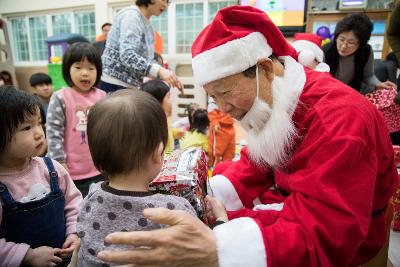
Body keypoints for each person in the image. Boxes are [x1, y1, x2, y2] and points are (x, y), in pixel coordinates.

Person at [96, 6, 397, 267]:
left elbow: (327, 235)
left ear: (265, 69)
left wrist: (217, 249)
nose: (223, 109)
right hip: (296, 207)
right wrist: (203, 197)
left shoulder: (341, 120)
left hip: (343, 236)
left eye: (225, 93)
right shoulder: (284, 96)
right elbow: (257, 163)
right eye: (214, 98)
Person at [75, 89, 196, 266]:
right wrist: (219, 222)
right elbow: (197, 250)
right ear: (158, 153)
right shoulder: (174, 209)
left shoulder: (91, 196)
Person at [0, 86, 82, 266]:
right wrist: (26, 255)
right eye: (27, 127)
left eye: (39, 123)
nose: (39, 133)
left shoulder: (52, 168)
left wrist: (73, 232)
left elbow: (74, 203)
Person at [46, 42, 106, 197]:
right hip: (71, 172)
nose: (85, 73)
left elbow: (108, 131)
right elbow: (53, 133)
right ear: (68, 70)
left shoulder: (102, 96)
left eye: (91, 68)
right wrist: (59, 162)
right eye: (78, 67)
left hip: (101, 168)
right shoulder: (60, 97)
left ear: (98, 72)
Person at [100, 0, 183, 93]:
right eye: (163, 0)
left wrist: (168, 75)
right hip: (114, 84)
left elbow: (149, 60)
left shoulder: (148, 26)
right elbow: (127, 55)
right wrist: (159, 71)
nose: (165, 5)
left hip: (130, 85)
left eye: (167, 1)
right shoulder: (132, 16)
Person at [323, 13, 397, 94]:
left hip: (351, 93)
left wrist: (378, 84)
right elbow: (319, 77)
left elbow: (368, 76)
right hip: (327, 92)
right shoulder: (327, 50)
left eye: (350, 42)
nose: (344, 46)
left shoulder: (366, 51)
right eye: (341, 39)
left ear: (361, 44)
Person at [141, 79, 183, 152]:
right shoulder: (154, 126)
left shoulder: (166, 118)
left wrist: (175, 132)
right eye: (168, 96)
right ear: (157, 103)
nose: (172, 100)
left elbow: (168, 130)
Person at [207, 97, 236, 168]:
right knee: (217, 153)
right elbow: (211, 109)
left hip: (229, 125)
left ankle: (227, 168)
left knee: (230, 152)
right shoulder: (215, 94)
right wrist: (214, 121)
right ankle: (214, 171)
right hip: (220, 126)